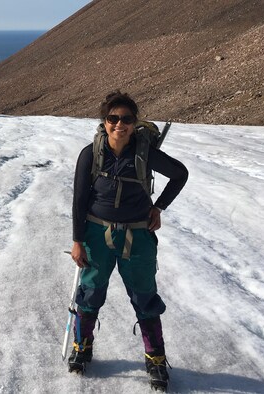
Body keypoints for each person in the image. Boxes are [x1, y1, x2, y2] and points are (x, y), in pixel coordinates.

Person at [69, 91, 188, 389]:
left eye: (126, 119)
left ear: (135, 123)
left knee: (144, 297)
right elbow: (79, 199)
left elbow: (180, 174)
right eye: (113, 118)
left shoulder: (144, 153)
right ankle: (82, 347)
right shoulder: (90, 153)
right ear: (104, 122)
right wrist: (77, 241)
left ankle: (156, 359)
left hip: (137, 234)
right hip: (97, 233)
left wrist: (158, 207)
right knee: (90, 292)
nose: (119, 124)